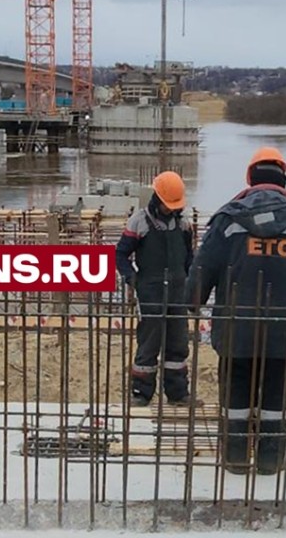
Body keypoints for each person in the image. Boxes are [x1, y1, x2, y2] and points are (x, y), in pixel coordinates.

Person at [187, 147, 286, 475]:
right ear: (284, 179)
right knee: (276, 392)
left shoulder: (228, 219)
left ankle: (235, 459)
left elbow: (202, 268)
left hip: (237, 329)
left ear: (250, 178)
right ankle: (270, 460)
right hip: (284, 329)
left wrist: (190, 303)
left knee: (236, 390)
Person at [115, 170, 197, 407]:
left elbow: (189, 259)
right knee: (149, 344)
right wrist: (131, 278)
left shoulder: (183, 225)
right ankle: (141, 393)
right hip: (150, 291)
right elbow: (120, 254)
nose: (172, 209)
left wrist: (192, 285)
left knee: (178, 343)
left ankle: (178, 393)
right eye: (169, 205)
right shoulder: (139, 222)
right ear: (158, 199)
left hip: (178, 292)